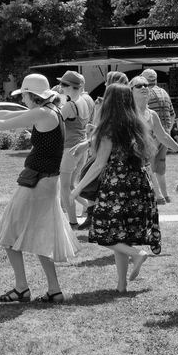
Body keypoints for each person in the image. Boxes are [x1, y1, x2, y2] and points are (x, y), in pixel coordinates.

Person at [0, 74, 78, 303]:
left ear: (31, 95)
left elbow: (6, 122)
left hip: (38, 182)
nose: (22, 98)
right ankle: (53, 290)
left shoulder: (43, 113)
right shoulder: (50, 111)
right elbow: (8, 114)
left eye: (23, 94)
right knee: (39, 237)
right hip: (43, 181)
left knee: (9, 234)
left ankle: (22, 288)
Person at [72, 83, 162, 293]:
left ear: (109, 102)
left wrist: (76, 189)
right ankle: (121, 285)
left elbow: (99, 164)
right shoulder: (137, 123)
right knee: (122, 234)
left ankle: (136, 254)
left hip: (117, 186)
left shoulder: (110, 127)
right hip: (140, 185)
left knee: (102, 231)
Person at [131, 75, 178, 203]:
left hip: (144, 166)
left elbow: (163, 136)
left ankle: (161, 196)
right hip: (129, 167)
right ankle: (161, 196)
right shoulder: (127, 113)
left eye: (146, 85)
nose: (144, 87)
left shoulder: (152, 115)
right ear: (130, 90)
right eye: (139, 85)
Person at [54, 71, 95, 226]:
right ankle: (92, 208)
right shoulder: (87, 100)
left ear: (72, 87)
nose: (61, 87)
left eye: (63, 84)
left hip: (70, 149)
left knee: (65, 187)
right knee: (72, 186)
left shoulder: (70, 105)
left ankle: (72, 222)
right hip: (82, 147)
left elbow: (54, 123)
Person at [142, 69, 176, 204]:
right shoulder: (164, 92)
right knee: (160, 166)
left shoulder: (145, 94)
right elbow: (172, 114)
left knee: (148, 164)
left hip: (153, 135)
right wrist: (167, 131)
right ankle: (166, 195)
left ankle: (159, 196)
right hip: (165, 133)